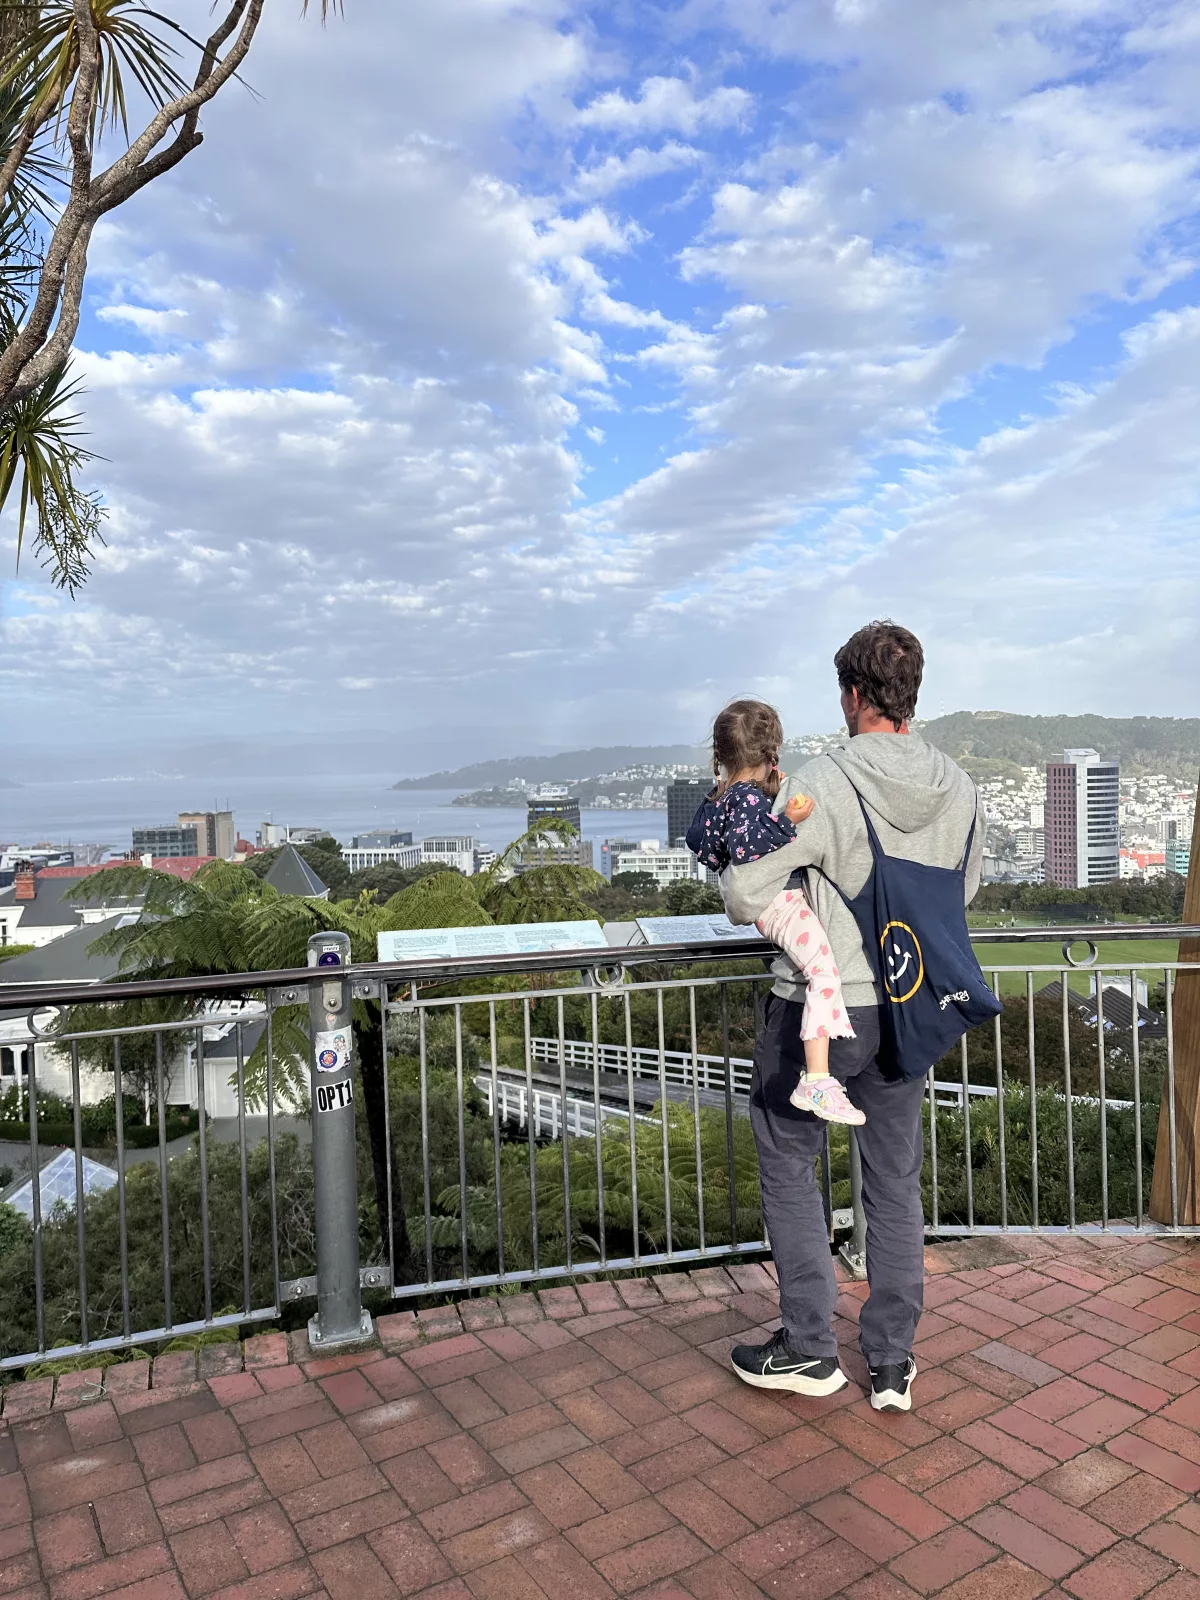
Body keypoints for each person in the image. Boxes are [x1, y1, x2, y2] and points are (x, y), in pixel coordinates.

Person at [719, 621, 986, 1412]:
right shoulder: (959, 786)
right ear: (911, 694)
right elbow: (961, 891)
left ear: (852, 695)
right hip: (909, 1003)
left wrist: (809, 905)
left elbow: (745, 892)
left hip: (823, 1010)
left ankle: (809, 1347)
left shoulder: (826, 782)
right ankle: (892, 1360)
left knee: (789, 1162)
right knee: (894, 1180)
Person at [686, 699, 862, 1126]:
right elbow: (749, 847)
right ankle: (817, 1079)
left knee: (818, 970)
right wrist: (788, 819)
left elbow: (699, 841)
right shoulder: (748, 799)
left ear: (720, 754)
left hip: (770, 908)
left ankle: (818, 1078)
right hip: (781, 901)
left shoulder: (719, 798)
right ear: (771, 753)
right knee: (825, 974)